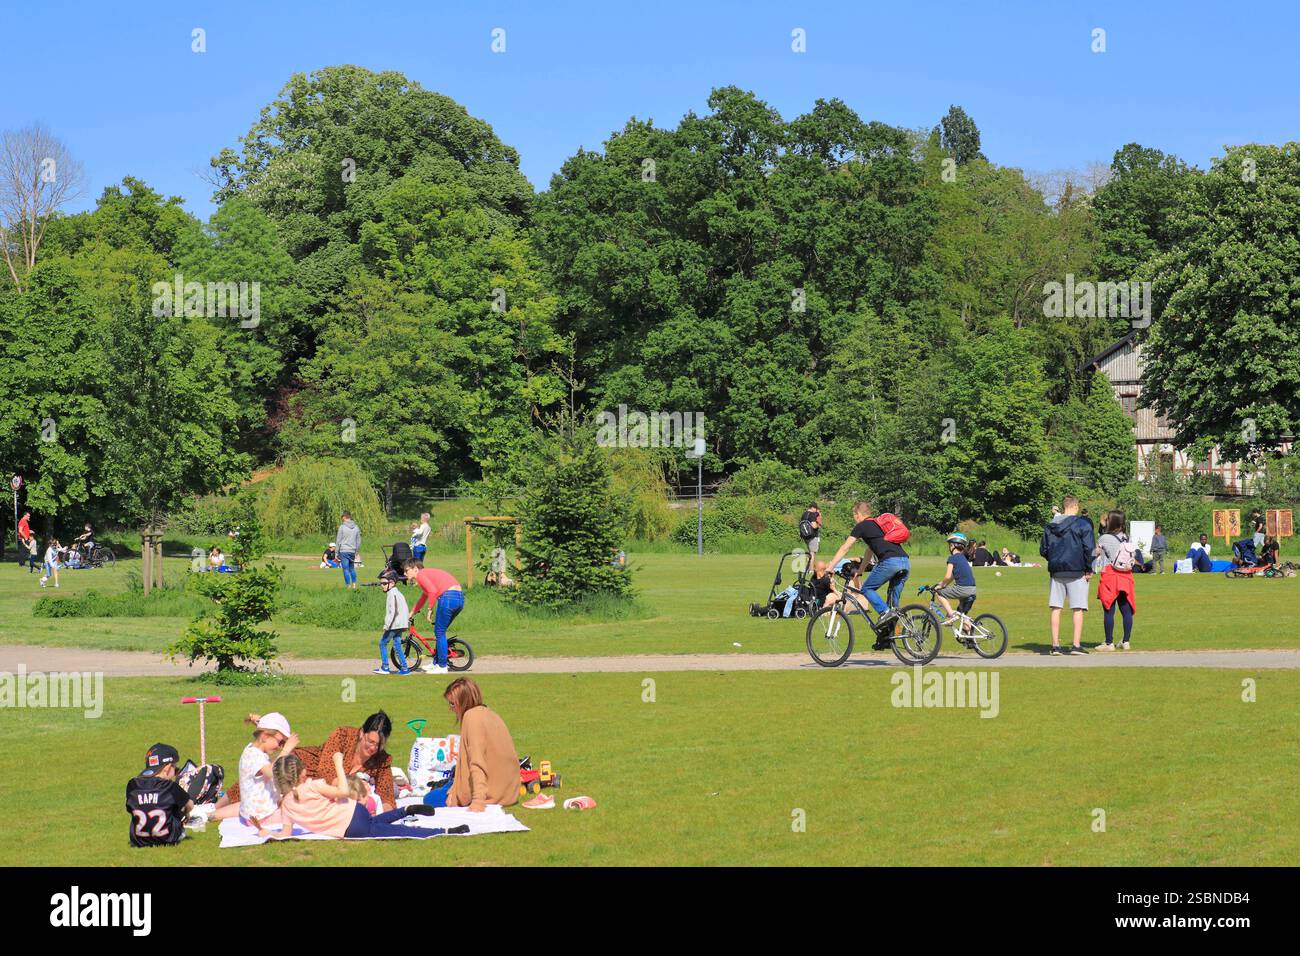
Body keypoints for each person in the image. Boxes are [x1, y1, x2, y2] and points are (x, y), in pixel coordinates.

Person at [217, 711, 399, 815]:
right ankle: (216, 805)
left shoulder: (382, 760)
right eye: (370, 741)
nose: (373, 748)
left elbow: (387, 796)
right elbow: (325, 772)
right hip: (305, 766)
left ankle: (217, 810)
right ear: (361, 733)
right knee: (258, 784)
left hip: (323, 789)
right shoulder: (343, 735)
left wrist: (381, 813)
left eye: (379, 744)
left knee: (267, 795)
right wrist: (351, 788)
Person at [273, 750, 437, 840]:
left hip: (350, 826)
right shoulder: (313, 786)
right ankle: (408, 811)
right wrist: (338, 763)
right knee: (379, 824)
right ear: (302, 772)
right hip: (355, 814)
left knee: (391, 830)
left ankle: (436, 828)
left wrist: (267, 833)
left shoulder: (286, 805)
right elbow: (343, 792)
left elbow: (285, 833)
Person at [423, 677, 519, 811]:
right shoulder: (491, 714)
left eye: (452, 704)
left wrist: (478, 802)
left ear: (463, 702)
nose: (451, 709)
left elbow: (477, 762)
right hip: (509, 792)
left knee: (429, 798)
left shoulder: (471, 718)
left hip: (491, 793)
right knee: (449, 785)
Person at [825, 501, 910, 648]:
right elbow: (870, 550)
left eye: (854, 515)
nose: (854, 518)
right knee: (893, 607)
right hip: (905, 562)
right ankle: (886, 639)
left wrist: (830, 566)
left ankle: (884, 612)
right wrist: (861, 570)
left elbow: (845, 548)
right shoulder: (878, 525)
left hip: (890, 562)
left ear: (858, 514)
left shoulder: (862, 526)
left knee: (867, 590)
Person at [1039, 495, 1095, 656]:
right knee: (1077, 608)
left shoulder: (1051, 526)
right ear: (1075, 507)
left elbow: (1043, 549)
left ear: (1064, 507)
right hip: (1077, 571)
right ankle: (1076, 645)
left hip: (1056, 571)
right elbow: (1089, 549)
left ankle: (1055, 645)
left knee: (1056, 608)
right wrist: (1088, 568)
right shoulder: (1082, 524)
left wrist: (1054, 560)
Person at [237, 712, 297, 834]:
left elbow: (267, 735)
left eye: (282, 744)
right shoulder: (254, 755)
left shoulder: (252, 750)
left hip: (257, 814)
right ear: (264, 736)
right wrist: (287, 749)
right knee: (296, 811)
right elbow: (272, 772)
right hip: (261, 817)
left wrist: (260, 721)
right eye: (279, 742)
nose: (280, 747)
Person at [125, 743, 194, 848]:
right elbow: (190, 805)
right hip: (168, 838)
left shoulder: (133, 785)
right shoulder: (170, 786)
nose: (175, 773)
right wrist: (185, 813)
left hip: (138, 841)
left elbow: (131, 809)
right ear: (167, 767)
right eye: (175, 768)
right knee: (176, 807)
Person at [405, 561, 464, 674]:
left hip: (448, 597)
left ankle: (442, 667)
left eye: (407, 570)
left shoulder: (421, 575)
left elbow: (433, 591)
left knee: (439, 632)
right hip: (459, 599)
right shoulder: (426, 575)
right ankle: (436, 663)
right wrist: (412, 612)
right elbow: (424, 597)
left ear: (415, 569)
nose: (405, 573)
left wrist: (430, 609)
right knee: (440, 631)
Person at [1095, 510, 1136, 651]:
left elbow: (1095, 553)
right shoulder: (1127, 537)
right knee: (1126, 610)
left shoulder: (1104, 538)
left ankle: (1108, 643)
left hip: (1110, 576)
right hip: (1126, 575)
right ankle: (1126, 641)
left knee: (1109, 610)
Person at [933, 532, 978, 628]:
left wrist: (939, 587)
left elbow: (948, 576)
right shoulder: (963, 558)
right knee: (962, 614)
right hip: (972, 589)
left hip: (962, 589)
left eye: (949, 545)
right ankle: (970, 638)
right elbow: (953, 577)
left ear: (952, 545)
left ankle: (950, 614)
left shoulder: (952, 558)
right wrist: (941, 584)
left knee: (939, 593)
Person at [375, 569, 413, 676]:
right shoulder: (398, 593)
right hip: (400, 625)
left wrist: (387, 625)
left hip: (394, 625)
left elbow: (393, 612)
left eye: (384, 583)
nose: (381, 585)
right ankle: (405, 669)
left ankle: (385, 667)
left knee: (382, 643)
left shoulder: (392, 594)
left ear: (391, 583)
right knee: (397, 646)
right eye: (381, 583)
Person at [336, 511, 361, 589]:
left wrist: (336, 552)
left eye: (342, 518)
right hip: (352, 550)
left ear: (345, 517)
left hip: (344, 550)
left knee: (345, 569)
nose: (342, 520)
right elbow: (359, 541)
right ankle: (354, 584)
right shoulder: (356, 527)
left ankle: (348, 586)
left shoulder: (342, 527)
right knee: (352, 568)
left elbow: (338, 540)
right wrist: (356, 551)